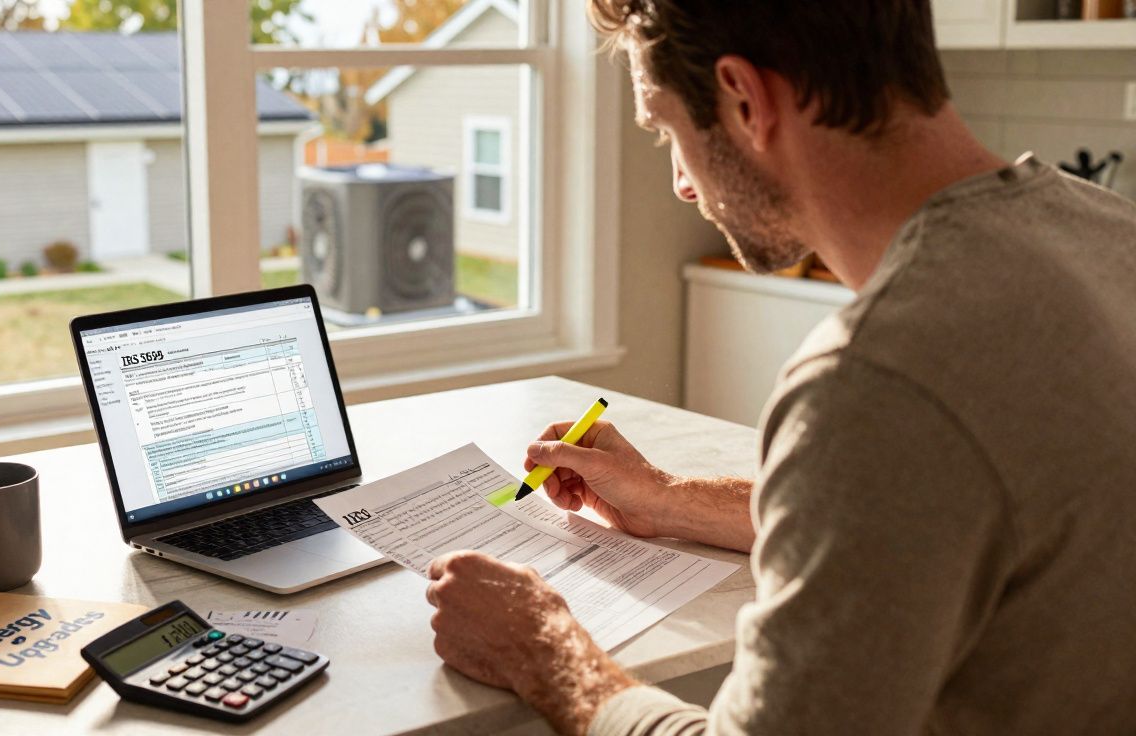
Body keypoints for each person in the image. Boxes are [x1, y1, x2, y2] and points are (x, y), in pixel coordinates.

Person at [423, 1, 1136, 734]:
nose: (682, 184)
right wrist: (663, 497)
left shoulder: (876, 380)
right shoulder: (1108, 232)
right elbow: (913, 514)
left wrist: (541, 646)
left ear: (743, 99)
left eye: (668, 128)